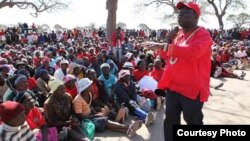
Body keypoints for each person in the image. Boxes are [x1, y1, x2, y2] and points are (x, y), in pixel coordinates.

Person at [142, 2, 213, 141]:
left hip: (192, 89)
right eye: (179, 13)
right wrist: (167, 41)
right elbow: (166, 57)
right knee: (170, 121)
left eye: (185, 13)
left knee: (192, 121)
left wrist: (164, 45)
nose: (180, 15)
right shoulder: (178, 34)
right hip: (173, 87)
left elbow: (193, 53)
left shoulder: (203, 34)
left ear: (195, 17)